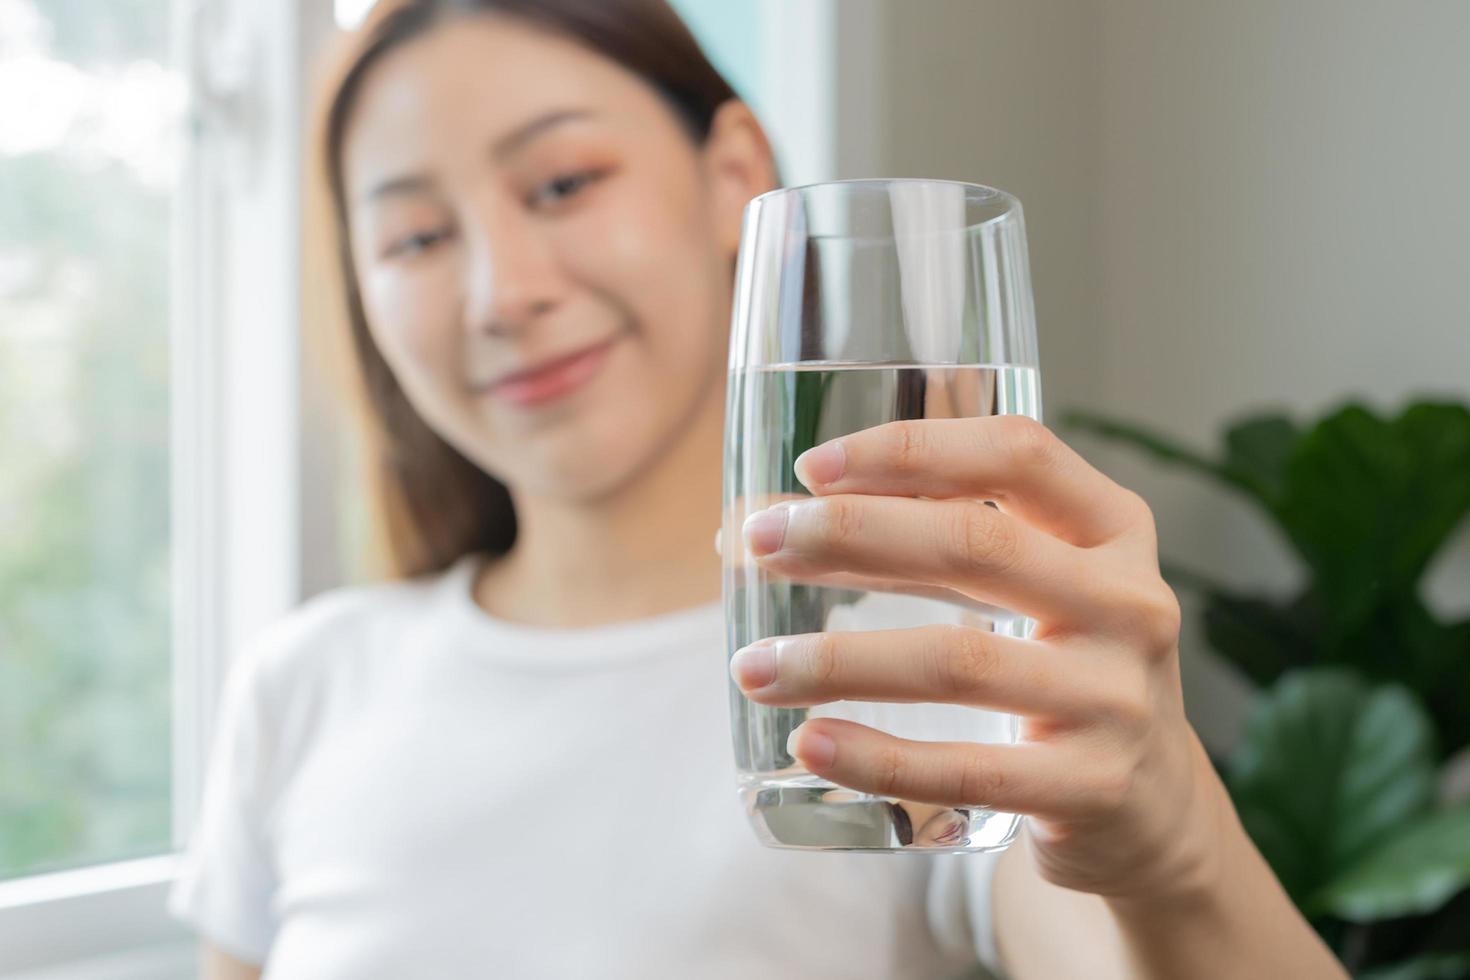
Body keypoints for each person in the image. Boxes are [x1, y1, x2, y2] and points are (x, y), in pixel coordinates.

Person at [167, 1, 1347, 977]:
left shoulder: (939, 669)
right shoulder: (303, 684)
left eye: (565, 182)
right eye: (417, 238)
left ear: (733, 173)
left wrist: (1174, 845)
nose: (500, 291)